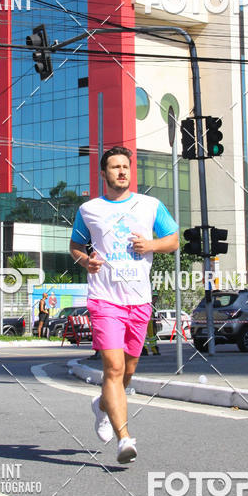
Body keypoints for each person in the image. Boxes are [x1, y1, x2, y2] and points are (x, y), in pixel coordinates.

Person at [70, 146, 179, 463]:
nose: (121, 171)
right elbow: (75, 246)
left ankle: (102, 404)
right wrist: (84, 261)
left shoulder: (150, 206)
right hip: (104, 299)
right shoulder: (89, 209)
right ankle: (124, 439)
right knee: (114, 368)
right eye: (114, 167)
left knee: (128, 370)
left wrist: (151, 244)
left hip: (139, 300)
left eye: (125, 167)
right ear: (103, 174)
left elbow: (173, 240)